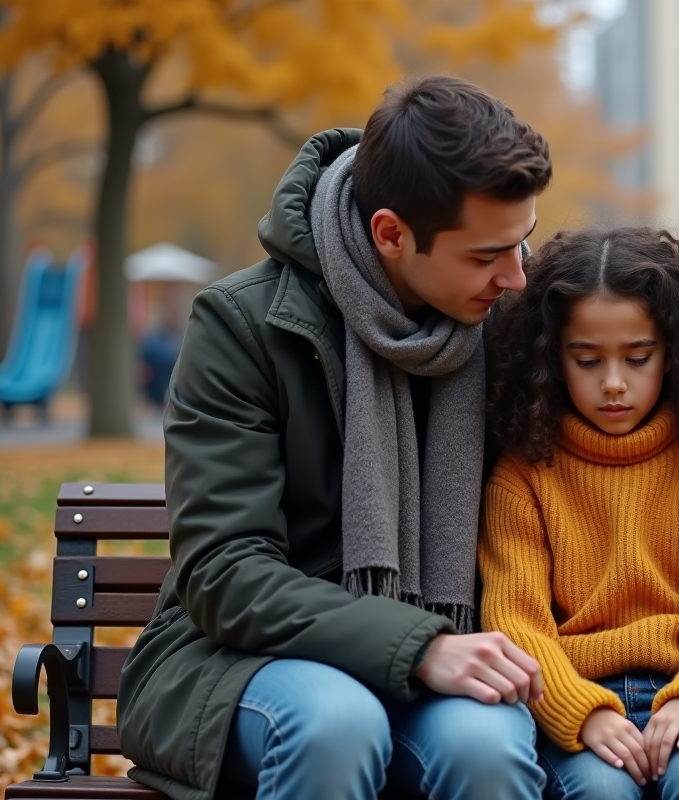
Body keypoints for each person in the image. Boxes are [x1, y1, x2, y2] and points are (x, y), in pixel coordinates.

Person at [116, 77, 553, 800]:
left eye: (522, 244)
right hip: (245, 662)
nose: (515, 278)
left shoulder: (509, 320)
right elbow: (224, 572)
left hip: (457, 655)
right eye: (485, 257)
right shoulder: (244, 326)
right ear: (391, 233)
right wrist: (417, 645)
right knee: (336, 724)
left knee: (487, 747)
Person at [480, 227, 679, 800]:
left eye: (638, 358)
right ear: (551, 359)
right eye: (586, 360)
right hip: (575, 701)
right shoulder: (522, 475)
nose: (613, 384)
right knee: (601, 791)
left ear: (673, 352)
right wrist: (580, 712)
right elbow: (514, 619)